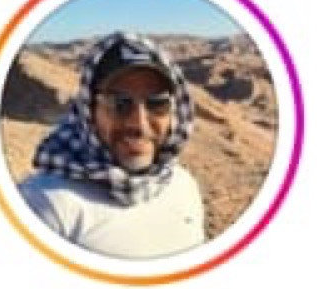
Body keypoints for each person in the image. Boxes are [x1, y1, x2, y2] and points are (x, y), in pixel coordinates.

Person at [16, 33, 208, 262]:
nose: (139, 124)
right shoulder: (46, 204)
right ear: (89, 111)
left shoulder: (183, 185)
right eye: (119, 104)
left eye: (157, 103)